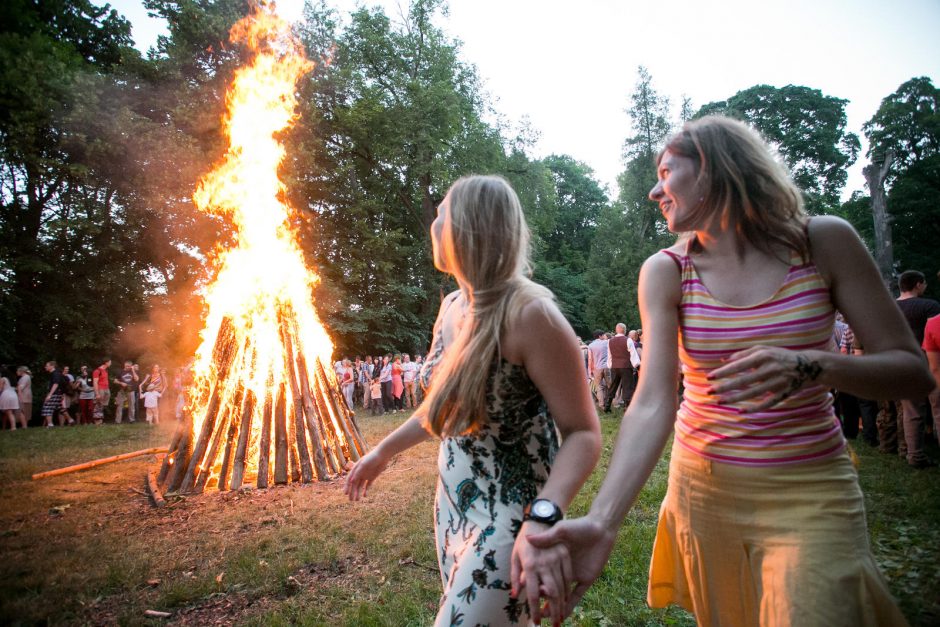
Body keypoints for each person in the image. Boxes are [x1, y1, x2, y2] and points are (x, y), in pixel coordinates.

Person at [522, 116, 933, 626]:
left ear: (716, 168)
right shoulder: (666, 271)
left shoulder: (823, 242)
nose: (654, 190)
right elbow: (652, 402)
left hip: (811, 490)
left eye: (667, 170)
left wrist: (812, 366)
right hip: (705, 494)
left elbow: (912, 371)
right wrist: (603, 522)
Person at [345, 175, 601, 626]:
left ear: (466, 227)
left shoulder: (532, 315)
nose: (434, 221)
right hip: (453, 502)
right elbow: (442, 411)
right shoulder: (451, 307)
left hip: (513, 515)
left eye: (442, 211)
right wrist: (382, 452)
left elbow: (583, 433)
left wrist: (543, 517)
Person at [894, 270, 940, 467]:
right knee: (938, 409)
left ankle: (914, 455)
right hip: (930, 361)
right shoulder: (930, 306)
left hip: (902, 363)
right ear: (918, 284)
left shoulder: (890, 307)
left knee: (911, 410)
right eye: (924, 283)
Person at [42, 361, 69, 428]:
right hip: (58, 393)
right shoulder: (57, 373)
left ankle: (50, 424)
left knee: (47, 407)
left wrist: (50, 394)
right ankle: (70, 420)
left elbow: (56, 384)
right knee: (60, 408)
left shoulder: (55, 374)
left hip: (55, 393)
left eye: (47, 365)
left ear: (52, 366)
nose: (45, 367)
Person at [586, 330, 609, 409]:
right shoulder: (606, 342)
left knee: (599, 387)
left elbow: (590, 359)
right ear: (600, 336)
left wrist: (589, 372)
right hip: (606, 367)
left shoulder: (591, 346)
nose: (603, 336)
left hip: (596, 368)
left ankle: (602, 405)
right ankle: (609, 403)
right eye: (603, 335)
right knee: (609, 386)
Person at [92, 358, 111, 424]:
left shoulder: (105, 371)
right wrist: (97, 393)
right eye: (110, 362)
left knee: (103, 405)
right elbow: (95, 383)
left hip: (106, 389)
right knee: (98, 405)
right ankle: (97, 422)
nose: (110, 364)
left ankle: (100, 420)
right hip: (100, 389)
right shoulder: (97, 371)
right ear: (106, 362)